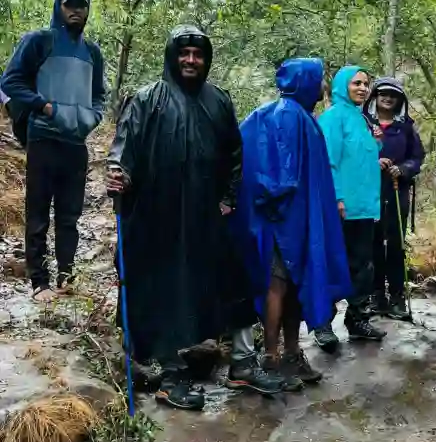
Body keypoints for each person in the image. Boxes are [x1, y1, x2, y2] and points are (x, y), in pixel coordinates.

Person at [106, 27, 279, 406]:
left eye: (197, 55)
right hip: (158, 215)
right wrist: (119, 173)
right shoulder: (147, 99)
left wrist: (229, 198)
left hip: (207, 214)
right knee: (164, 290)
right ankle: (171, 376)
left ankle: (243, 364)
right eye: (184, 53)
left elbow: (235, 154)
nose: (190, 60)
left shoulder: (218, 100)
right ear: (172, 55)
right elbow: (124, 149)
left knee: (232, 285)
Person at [235, 58, 351, 390]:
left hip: (296, 221)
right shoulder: (287, 115)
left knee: (294, 288)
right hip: (282, 224)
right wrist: (277, 211)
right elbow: (278, 173)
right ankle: (273, 356)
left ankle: (291, 352)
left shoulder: (296, 115)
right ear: (305, 82)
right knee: (278, 287)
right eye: (317, 82)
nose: (320, 90)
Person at [1, 0, 105, 300]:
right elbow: (10, 81)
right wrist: (44, 106)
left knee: (70, 215)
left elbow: (99, 95)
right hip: (43, 137)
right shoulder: (39, 41)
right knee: (37, 212)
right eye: (69, 4)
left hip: (76, 143)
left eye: (81, 5)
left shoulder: (92, 53)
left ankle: (66, 277)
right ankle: (39, 282)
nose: (76, 10)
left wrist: (93, 117)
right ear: (59, 6)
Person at [317, 66, 384, 347]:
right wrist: (337, 197)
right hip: (342, 207)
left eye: (366, 84)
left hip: (365, 207)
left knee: (363, 267)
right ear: (343, 85)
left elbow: (361, 157)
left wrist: (377, 143)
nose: (362, 88)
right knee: (335, 265)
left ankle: (357, 319)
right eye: (356, 83)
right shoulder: (333, 118)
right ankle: (323, 325)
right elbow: (328, 161)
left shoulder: (363, 119)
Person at [365, 76, 425, 320]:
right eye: (383, 95)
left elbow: (417, 157)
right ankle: (376, 294)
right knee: (373, 244)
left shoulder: (406, 127)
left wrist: (403, 168)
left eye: (393, 96)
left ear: (399, 100)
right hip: (369, 192)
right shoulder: (364, 124)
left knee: (397, 245)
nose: (387, 99)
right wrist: (373, 162)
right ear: (375, 98)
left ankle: (397, 296)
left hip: (397, 190)